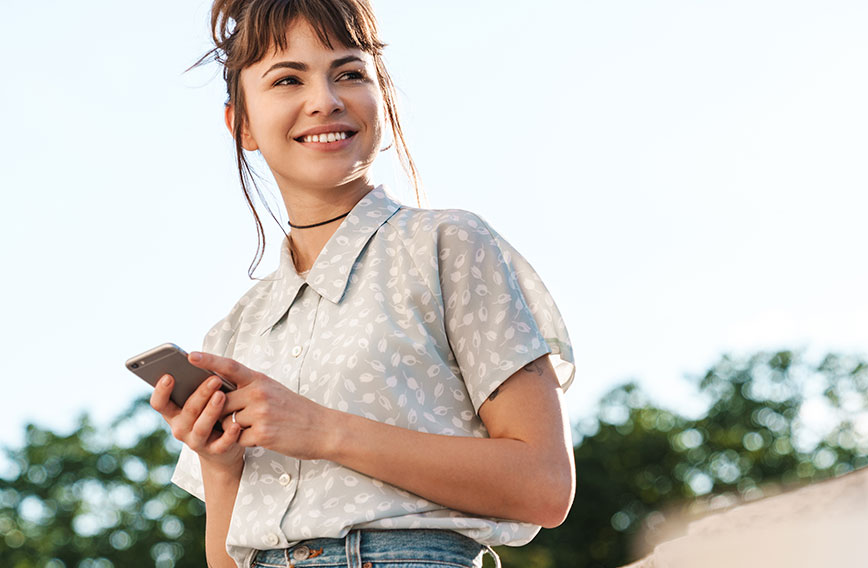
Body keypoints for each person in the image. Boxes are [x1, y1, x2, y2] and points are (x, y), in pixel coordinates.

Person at [148, 1, 576, 566]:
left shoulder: (449, 245)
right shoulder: (235, 330)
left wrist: (322, 430)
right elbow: (229, 557)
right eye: (287, 79)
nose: (324, 100)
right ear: (242, 124)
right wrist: (221, 465)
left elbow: (543, 486)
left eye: (349, 73)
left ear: (383, 98)